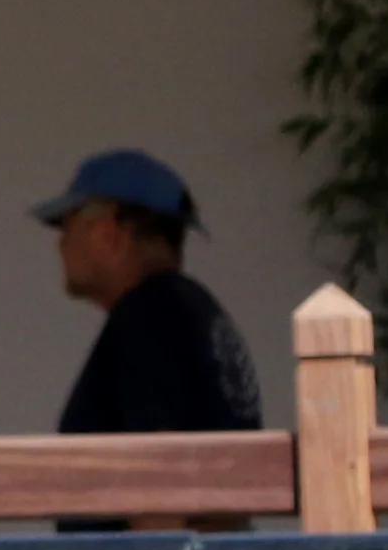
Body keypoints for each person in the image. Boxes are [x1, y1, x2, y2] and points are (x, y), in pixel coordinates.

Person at [41, 148, 263, 441]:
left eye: (66, 226)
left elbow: (161, 461)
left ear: (106, 230)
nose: (61, 244)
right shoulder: (189, 310)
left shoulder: (152, 316)